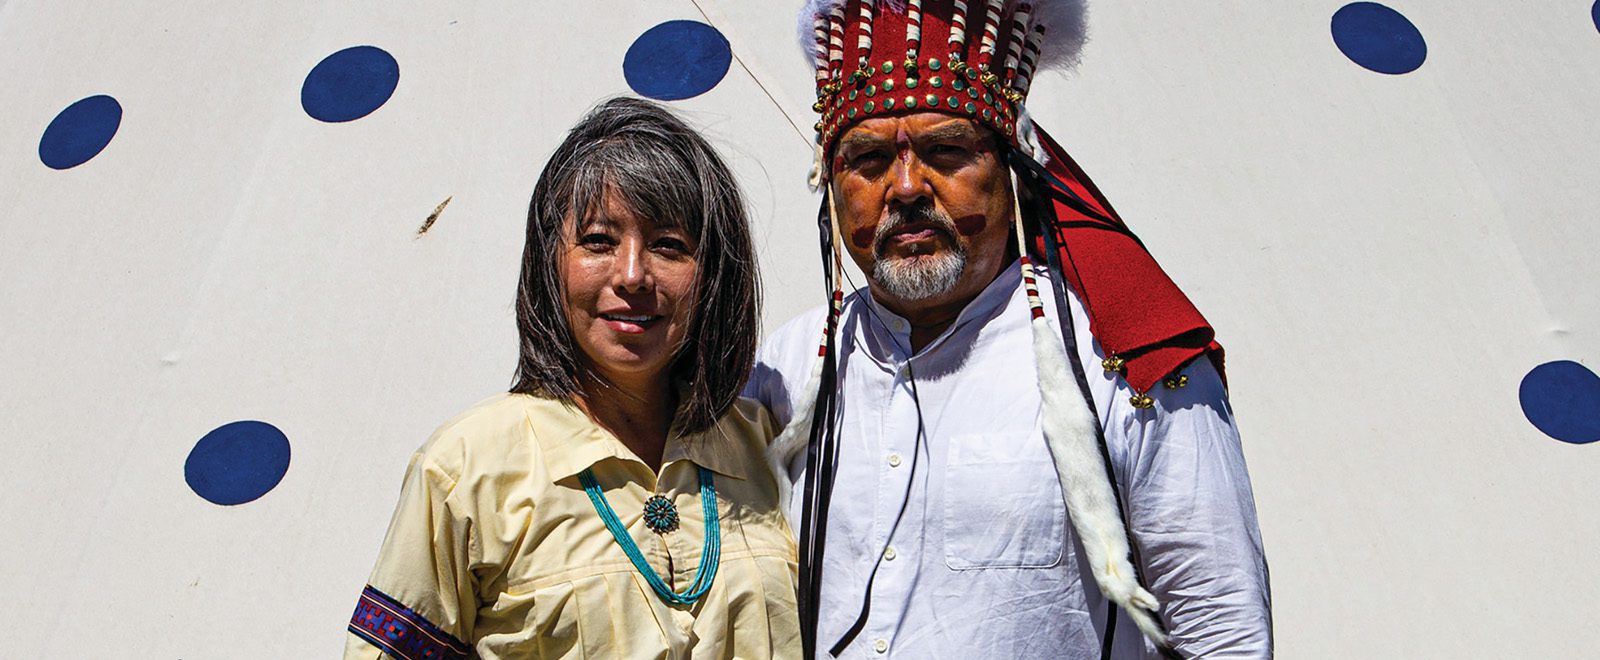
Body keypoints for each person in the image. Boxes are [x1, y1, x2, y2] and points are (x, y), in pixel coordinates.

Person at [747, 1, 1271, 658]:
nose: (907, 186)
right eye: (870, 160)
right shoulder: (783, 370)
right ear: (832, 184)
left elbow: (1221, 628)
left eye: (946, 150)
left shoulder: (1123, 363)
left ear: (1017, 174)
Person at [345, 97, 800, 659]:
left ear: (713, 275)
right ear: (549, 263)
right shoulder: (466, 467)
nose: (633, 275)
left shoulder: (765, 443)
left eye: (669, 246)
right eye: (599, 242)